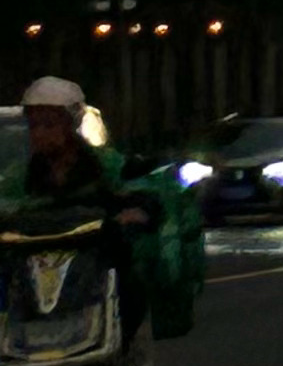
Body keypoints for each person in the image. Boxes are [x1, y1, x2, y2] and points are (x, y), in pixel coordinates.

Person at [3, 78, 164, 328]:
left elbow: (136, 190)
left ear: (70, 125)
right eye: (34, 126)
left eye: (49, 125)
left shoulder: (103, 165)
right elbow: (9, 204)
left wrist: (134, 213)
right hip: (32, 270)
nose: (40, 134)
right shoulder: (20, 176)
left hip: (92, 266)